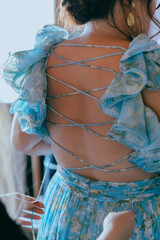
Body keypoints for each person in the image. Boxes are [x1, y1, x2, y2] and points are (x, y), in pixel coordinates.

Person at [3, 0, 160, 239]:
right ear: (131, 2)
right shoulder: (146, 65)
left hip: (66, 212)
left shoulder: (47, 57)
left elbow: (22, 142)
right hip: (134, 218)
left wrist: (70, 142)